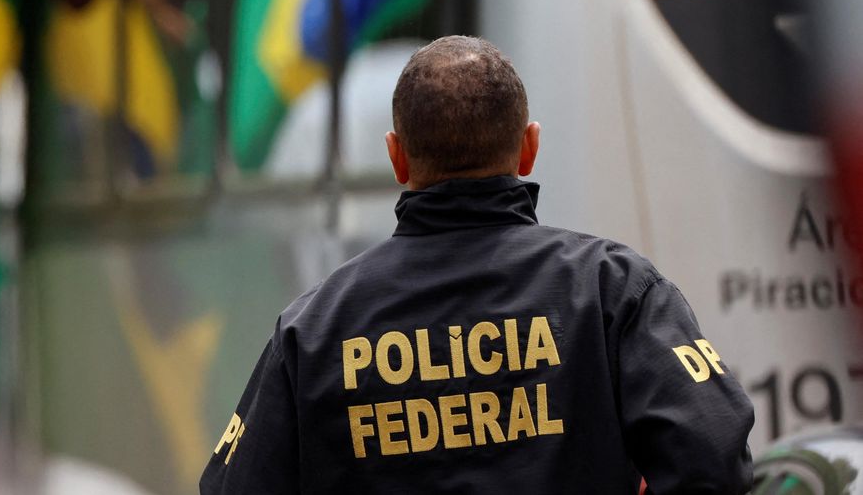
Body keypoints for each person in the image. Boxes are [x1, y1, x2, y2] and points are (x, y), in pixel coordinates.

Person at [200, 36, 754, 494]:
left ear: (397, 157)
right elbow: (713, 457)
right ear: (527, 149)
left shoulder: (312, 329)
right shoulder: (614, 289)